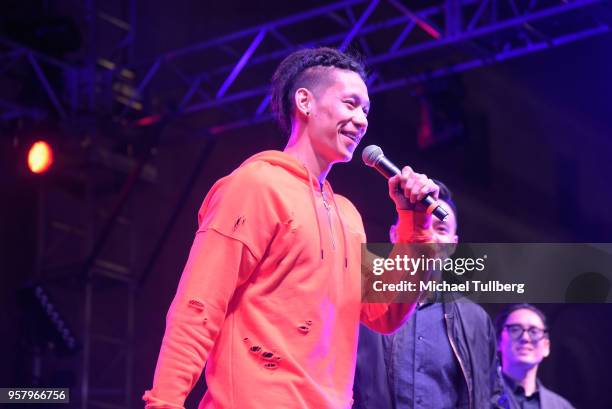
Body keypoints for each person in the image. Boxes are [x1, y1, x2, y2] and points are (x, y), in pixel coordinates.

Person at [143, 47, 442, 409]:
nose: (361, 120)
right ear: (305, 101)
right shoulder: (255, 185)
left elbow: (385, 313)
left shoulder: (347, 216)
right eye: (350, 104)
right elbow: (198, 306)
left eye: (365, 110)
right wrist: (164, 403)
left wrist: (415, 224)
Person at [353, 180, 504, 409]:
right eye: (421, 224)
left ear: (453, 245)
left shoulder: (476, 321)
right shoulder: (362, 299)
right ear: (396, 234)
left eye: (441, 229)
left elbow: (491, 397)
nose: (429, 235)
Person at [495, 304, 575, 409]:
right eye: (515, 329)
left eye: (534, 331)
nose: (525, 338)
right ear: (498, 341)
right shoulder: (479, 394)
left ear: (546, 346)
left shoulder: (562, 406)